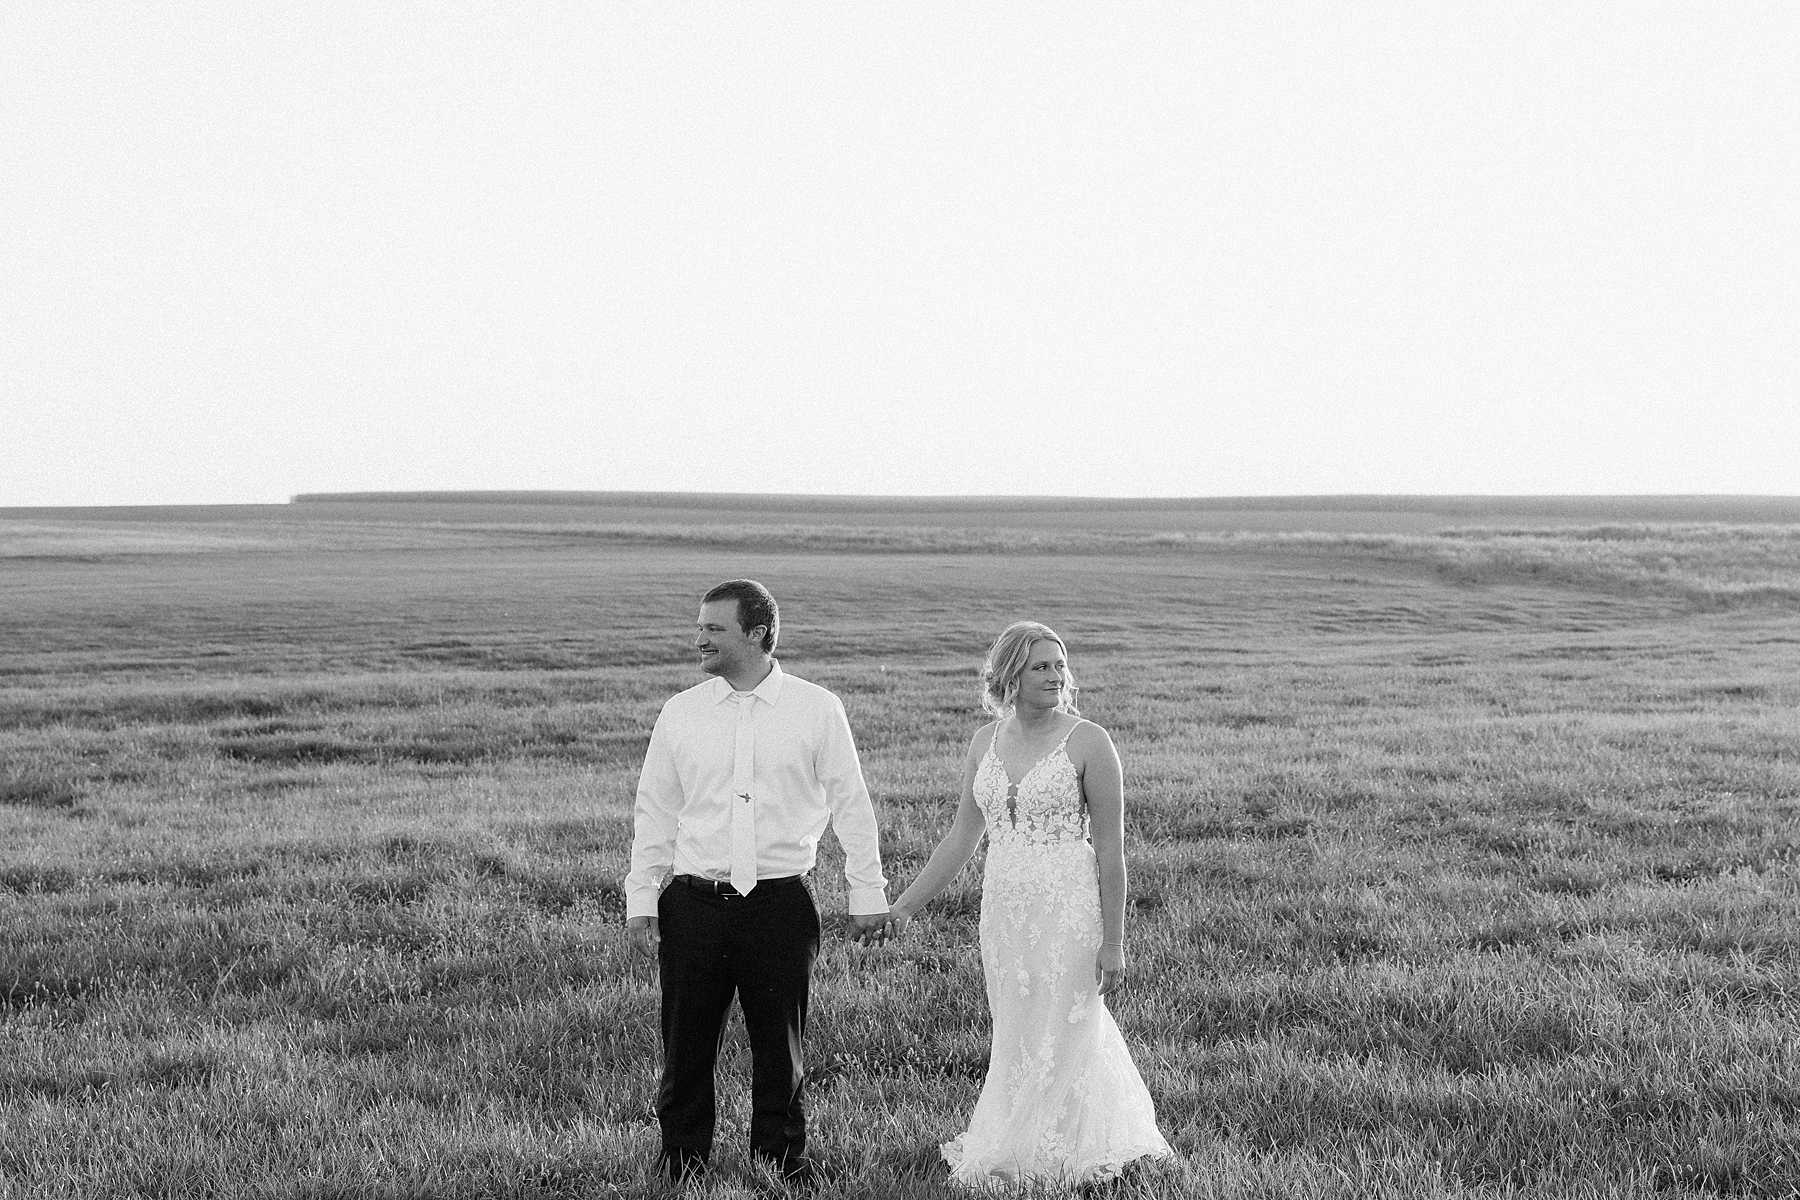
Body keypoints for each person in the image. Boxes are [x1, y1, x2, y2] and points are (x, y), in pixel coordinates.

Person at [625, 579, 892, 1189]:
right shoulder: (681, 712)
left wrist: (867, 893)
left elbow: (851, 802)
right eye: (700, 627)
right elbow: (655, 810)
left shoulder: (816, 708)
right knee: (686, 1048)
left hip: (778, 904)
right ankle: (682, 1163)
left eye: (714, 629)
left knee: (781, 1049)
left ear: (759, 634)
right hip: (693, 904)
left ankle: (781, 1162)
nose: (700, 639)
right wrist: (642, 897)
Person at [886, 620, 1172, 1184]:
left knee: (1067, 1022)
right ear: (1010, 675)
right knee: (1017, 1026)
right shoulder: (983, 742)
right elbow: (961, 837)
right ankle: (1021, 1134)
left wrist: (1113, 942)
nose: (1054, 676)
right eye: (1040, 666)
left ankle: (1061, 1149)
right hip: (1005, 910)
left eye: (1059, 665)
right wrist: (905, 906)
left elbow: (1112, 855)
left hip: (1069, 907)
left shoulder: (1090, 741)